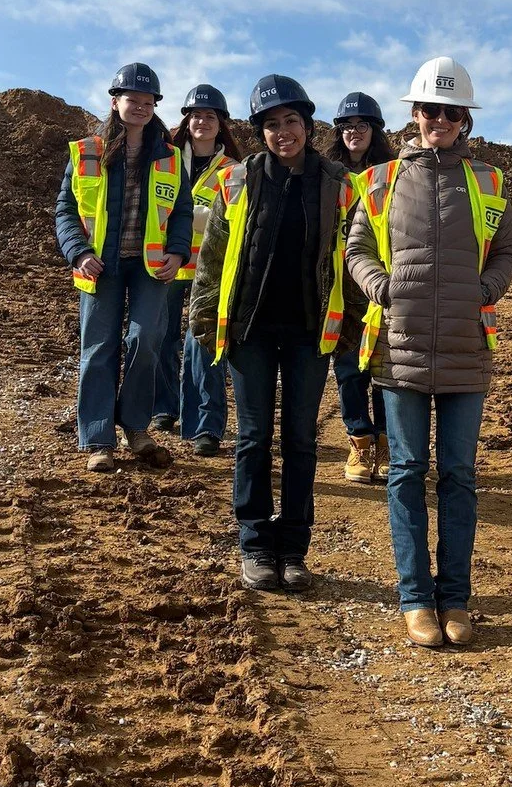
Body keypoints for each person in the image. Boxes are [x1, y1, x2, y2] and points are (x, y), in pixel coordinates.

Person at [347, 55, 512, 648]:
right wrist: (380, 285)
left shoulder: (489, 183)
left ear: (464, 119)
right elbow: (356, 247)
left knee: (460, 475)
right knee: (406, 472)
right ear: (414, 115)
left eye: (450, 111)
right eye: (428, 110)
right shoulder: (380, 181)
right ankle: (416, 598)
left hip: (465, 353)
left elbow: (506, 253)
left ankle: (456, 598)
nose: (438, 119)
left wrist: (485, 289)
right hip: (399, 350)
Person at [189, 74, 351, 592]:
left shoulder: (335, 182)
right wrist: (202, 314)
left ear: (307, 124)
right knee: (254, 439)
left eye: (291, 121)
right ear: (260, 131)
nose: (283, 132)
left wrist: (348, 323)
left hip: (309, 331)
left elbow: (348, 257)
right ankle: (255, 544)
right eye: (271, 124)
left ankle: (294, 548)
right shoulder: (237, 180)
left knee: (301, 440)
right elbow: (214, 255)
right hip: (249, 329)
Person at [54, 63, 193, 472]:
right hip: (100, 267)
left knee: (146, 339)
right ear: (116, 102)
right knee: (98, 349)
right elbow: (65, 209)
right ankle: (99, 438)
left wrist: (178, 252)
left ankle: (135, 426)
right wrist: (78, 251)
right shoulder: (88, 151)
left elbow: (182, 211)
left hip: (150, 267)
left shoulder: (168, 156)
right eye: (134, 99)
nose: (142, 107)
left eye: (149, 102)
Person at [150, 84, 244, 456]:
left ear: (221, 124)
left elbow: (231, 219)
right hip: (165, 264)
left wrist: (185, 215)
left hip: (210, 270)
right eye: (196, 115)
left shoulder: (233, 171)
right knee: (159, 339)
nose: (202, 121)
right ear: (186, 120)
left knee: (204, 347)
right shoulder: (167, 159)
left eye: (210, 116)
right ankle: (163, 407)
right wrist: (200, 217)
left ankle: (205, 425)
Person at [325, 91, 395, 483]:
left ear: (375, 131)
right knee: (349, 368)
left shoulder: (392, 174)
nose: (354, 132)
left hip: (381, 282)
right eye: (348, 126)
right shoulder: (327, 174)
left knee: (383, 367)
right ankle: (360, 442)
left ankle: (386, 443)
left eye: (362, 125)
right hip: (340, 284)